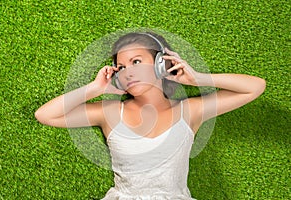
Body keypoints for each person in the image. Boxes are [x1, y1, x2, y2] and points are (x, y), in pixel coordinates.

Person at [35, 31, 266, 199]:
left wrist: (199, 79)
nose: (129, 71)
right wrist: (95, 89)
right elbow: (45, 115)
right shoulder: (110, 112)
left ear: (160, 65)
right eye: (122, 67)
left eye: (136, 61)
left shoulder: (189, 111)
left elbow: (255, 87)